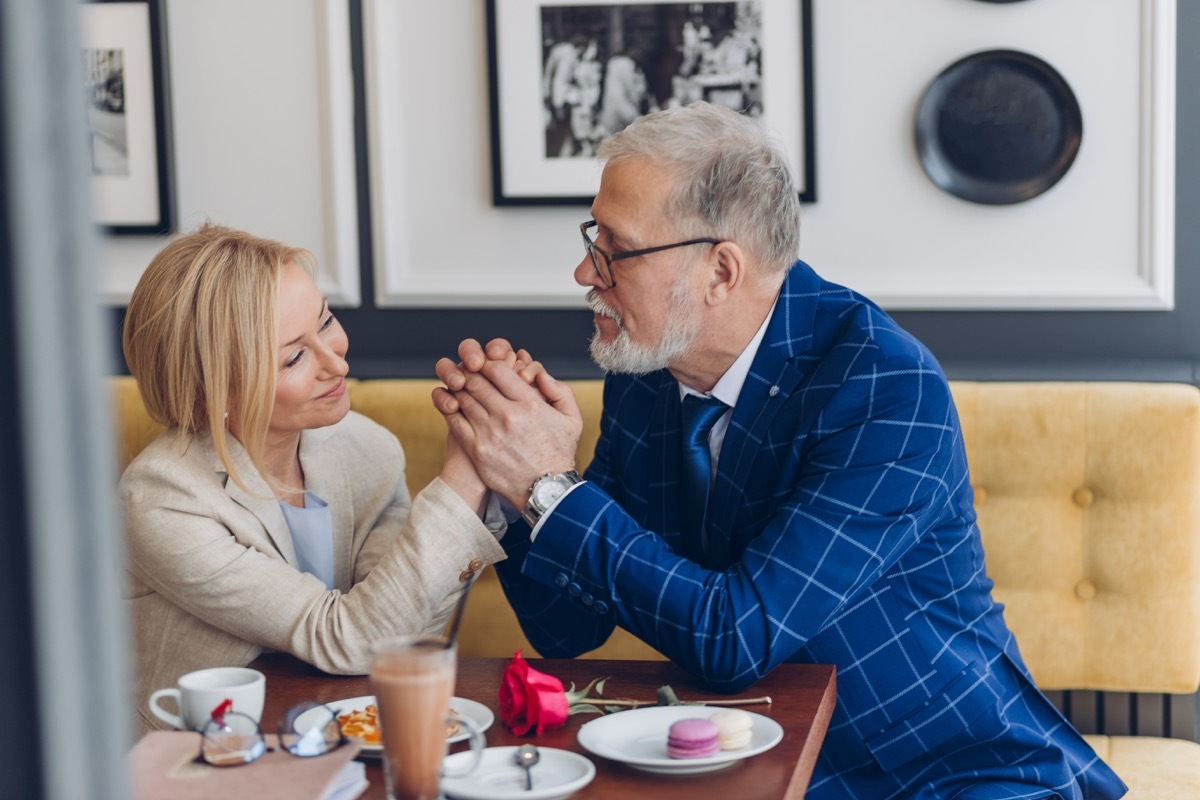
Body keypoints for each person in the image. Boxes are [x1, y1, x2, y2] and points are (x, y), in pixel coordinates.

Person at [433, 104, 1126, 798]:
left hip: (946, 768)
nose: (585, 270)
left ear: (721, 271)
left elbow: (735, 636)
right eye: (592, 235)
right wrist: (503, 475)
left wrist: (548, 486)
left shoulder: (883, 385)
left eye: (614, 246)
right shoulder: (646, 375)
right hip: (754, 764)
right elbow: (568, 628)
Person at [121, 224, 511, 733]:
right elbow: (345, 636)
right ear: (211, 395)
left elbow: (403, 632)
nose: (337, 360)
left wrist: (483, 461)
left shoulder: (365, 449)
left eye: (325, 320)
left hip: (334, 744)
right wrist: (463, 473)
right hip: (198, 764)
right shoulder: (163, 499)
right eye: (294, 357)